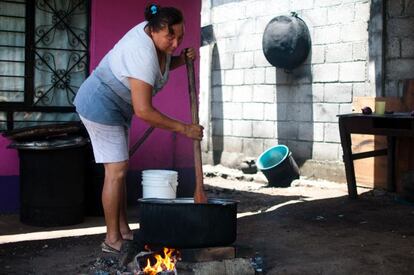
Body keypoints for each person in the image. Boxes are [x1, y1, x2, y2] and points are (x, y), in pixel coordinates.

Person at [73, 3, 207, 255]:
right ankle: (112, 239)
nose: (176, 42)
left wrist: (180, 60)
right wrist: (185, 129)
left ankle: (124, 232)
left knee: (120, 169)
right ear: (155, 30)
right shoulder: (141, 52)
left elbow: (158, 70)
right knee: (116, 171)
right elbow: (144, 111)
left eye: (180, 37)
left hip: (118, 106)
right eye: (171, 36)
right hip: (100, 104)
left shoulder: (155, 39)